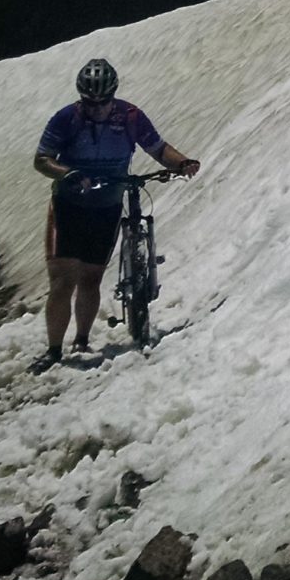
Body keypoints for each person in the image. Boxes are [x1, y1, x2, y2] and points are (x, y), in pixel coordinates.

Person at [29, 57, 198, 371]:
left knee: (91, 279)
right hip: (69, 207)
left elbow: (159, 149)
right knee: (63, 280)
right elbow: (42, 159)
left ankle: (80, 339)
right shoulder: (66, 119)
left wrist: (182, 163)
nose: (96, 109)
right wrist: (67, 173)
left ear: (112, 96)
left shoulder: (131, 116)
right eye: (89, 103)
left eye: (102, 103)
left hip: (106, 206)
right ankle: (53, 351)